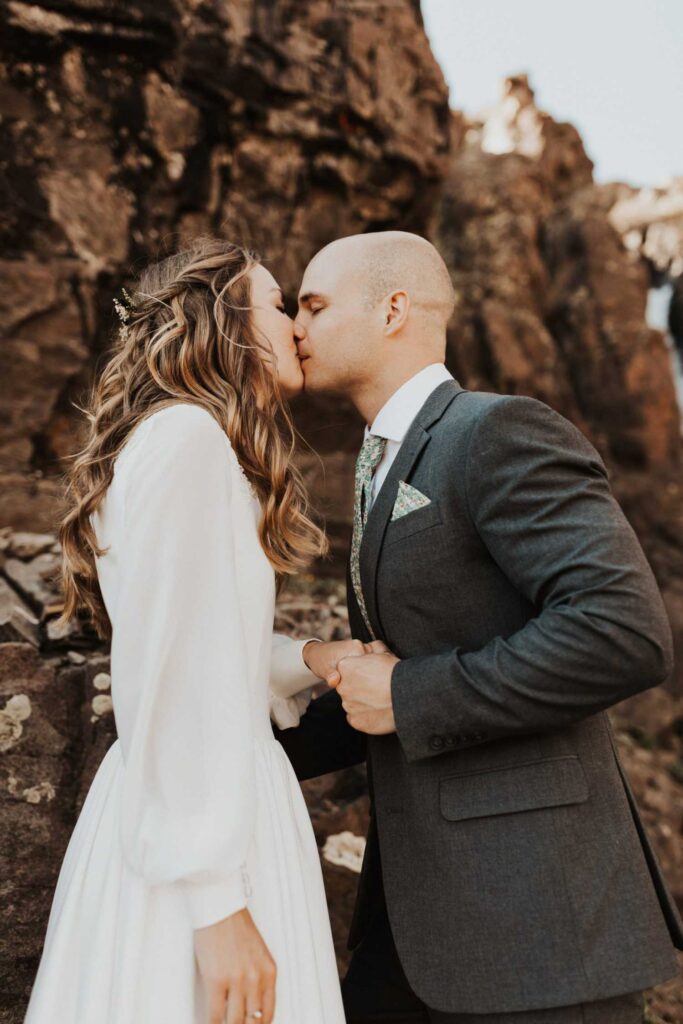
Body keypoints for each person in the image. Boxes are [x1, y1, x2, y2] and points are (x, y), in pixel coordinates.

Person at [275, 230, 683, 1024]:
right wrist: (225, 748)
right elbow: (386, 677)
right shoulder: (383, 461)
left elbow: (622, 632)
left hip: (536, 924)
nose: (295, 325)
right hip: (416, 925)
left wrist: (411, 693)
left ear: (393, 310)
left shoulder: (495, 432)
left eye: (315, 305)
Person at [24, 238, 360, 1024]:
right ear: (223, 319)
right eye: (280, 304)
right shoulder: (187, 442)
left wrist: (306, 657)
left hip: (201, 808)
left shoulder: (189, 443)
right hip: (199, 842)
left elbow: (200, 638)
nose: (297, 326)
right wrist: (215, 905)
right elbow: (169, 673)